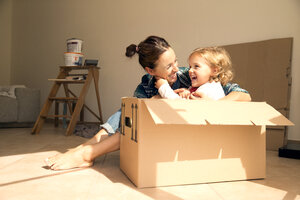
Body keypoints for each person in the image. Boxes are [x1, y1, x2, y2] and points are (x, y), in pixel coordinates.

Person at [45, 36, 251, 170]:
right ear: (150, 71)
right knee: (125, 114)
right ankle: (81, 150)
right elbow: (129, 116)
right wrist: (157, 98)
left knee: (133, 120)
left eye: (176, 61)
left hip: (178, 134)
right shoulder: (147, 84)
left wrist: (214, 104)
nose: (177, 69)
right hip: (153, 127)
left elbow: (243, 95)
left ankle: (86, 153)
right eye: (169, 66)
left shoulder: (191, 76)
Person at [156, 46, 233, 100]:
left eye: (196, 66)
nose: (190, 70)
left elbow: (179, 105)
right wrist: (187, 93)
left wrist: (163, 87)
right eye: (190, 67)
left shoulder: (210, 89)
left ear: (214, 71)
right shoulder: (203, 86)